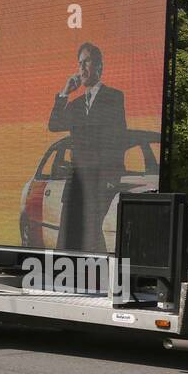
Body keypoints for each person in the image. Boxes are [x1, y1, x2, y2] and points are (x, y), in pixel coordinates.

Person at [48, 42, 127, 252]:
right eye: (79, 64)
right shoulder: (74, 105)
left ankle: (98, 274)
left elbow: (119, 139)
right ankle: (65, 274)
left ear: (99, 66)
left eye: (87, 62)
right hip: (77, 181)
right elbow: (54, 124)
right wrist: (65, 92)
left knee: (91, 231)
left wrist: (112, 178)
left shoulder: (114, 97)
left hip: (100, 179)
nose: (82, 69)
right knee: (69, 233)